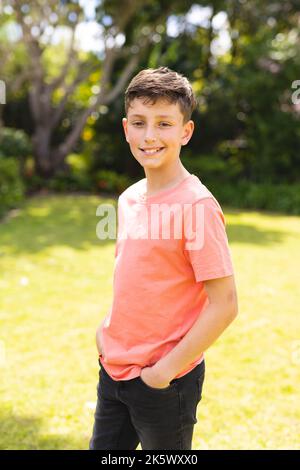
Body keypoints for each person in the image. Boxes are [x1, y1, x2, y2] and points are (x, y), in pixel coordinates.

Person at [89, 66, 238, 450]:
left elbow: (224, 305)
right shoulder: (128, 198)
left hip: (164, 383)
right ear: (126, 129)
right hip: (114, 370)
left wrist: (163, 373)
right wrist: (106, 330)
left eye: (164, 124)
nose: (149, 135)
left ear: (185, 132)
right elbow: (137, 277)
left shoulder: (197, 205)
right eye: (139, 122)